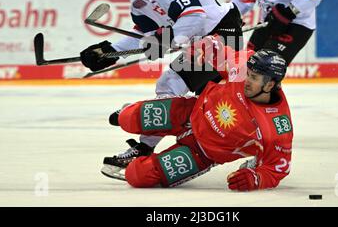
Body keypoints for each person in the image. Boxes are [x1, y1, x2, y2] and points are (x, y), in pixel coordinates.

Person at [80, 0, 242, 167]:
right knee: (205, 101)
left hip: (222, 36)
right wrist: (110, 52)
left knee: (172, 83)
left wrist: (165, 39)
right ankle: (149, 144)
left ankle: (143, 144)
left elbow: (195, 17)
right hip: (204, 39)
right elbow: (144, 32)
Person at [101, 35, 293, 190]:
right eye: (248, 74)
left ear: (270, 84)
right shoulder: (244, 66)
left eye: (254, 78)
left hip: (202, 153)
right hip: (190, 112)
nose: (247, 80)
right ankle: (131, 112)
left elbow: (279, 168)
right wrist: (207, 45)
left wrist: (257, 178)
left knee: (137, 175)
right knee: (126, 118)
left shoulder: (277, 127)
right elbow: (223, 53)